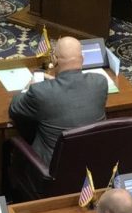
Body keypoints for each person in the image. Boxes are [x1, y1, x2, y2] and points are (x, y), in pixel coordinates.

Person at [7, 36, 109, 164]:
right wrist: (55, 83)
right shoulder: (100, 82)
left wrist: (28, 88)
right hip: (91, 165)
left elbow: (14, 108)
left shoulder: (40, 92)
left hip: (50, 172)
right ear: (82, 59)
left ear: (54, 60)